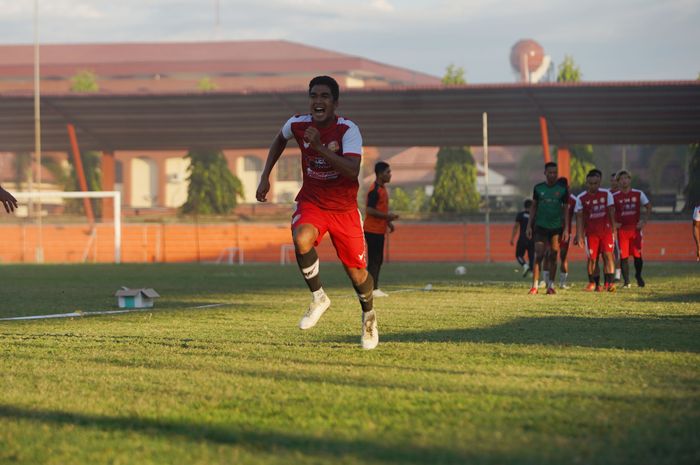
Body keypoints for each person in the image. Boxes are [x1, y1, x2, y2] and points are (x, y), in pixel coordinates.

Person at [255, 75, 379, 350]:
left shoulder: (348, 130)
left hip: (344, 210)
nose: (318, 101)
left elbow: (350, 170)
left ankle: (369, 315)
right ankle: (319, 297)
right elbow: (279, 139)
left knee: (358, 275)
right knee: (301, 238)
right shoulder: (297, 124)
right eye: (314, 96)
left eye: (324, 96)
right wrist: (265, 176)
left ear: (334, 103)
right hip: (312, 202)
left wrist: (320, 147)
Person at [526, 162, 569, 295]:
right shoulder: (538, 188)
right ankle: (534, 286)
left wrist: (566, 228)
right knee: (539, 254)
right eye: (550, 172)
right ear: (545, 173)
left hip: (556, 227)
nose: (552, 175)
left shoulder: (562, 189)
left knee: (554, 255)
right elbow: (533, 207)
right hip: (540, 226)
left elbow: (566, 210)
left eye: (555, 173)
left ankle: (551, 286)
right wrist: (529, 225)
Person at [575, 169, 617, 292]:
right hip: (591, 234)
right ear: (586, 183)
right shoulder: (581, 198)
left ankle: (609, 283)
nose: (593, 186)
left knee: (608, 256)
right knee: (592, 259)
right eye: (590, 183)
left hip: (606, 232)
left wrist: (614, 228)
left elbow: (611, 212)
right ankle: (594, 283)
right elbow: (579, 217)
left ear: (599, 183)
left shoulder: (606, 194)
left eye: (595, 183)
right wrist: (579, 235)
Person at [363, 161, 398, 298]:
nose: (390, 175)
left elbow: (379, 209)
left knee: (378, 260)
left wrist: (388, 222)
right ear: (379, 174)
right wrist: (387, 216)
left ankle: (372, 288)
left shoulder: (382, 189)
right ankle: (372, 289)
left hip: (378, 230)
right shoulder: (375, 190)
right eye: (387, 172)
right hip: (372, 230)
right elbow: (370, 210)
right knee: (374, 260)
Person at [612, 170, 651, 288]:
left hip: (635, 230)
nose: (624, 181)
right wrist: (614, 223)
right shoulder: (614, 197)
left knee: (637, 255)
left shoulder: (638, 194)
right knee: (623, 257)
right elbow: (609, 211)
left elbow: (648, 206)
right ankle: (627, 281)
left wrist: (643, 221)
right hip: (622, 231)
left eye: (626, 178)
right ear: (618, 182)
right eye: (621, 179)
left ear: (630, 180)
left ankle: (638, 276)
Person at [556, 178, 577, 289]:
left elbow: (579, 216)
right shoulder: (554, 197)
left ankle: (562, 283)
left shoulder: (573, 200)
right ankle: (547, 281)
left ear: (567, 188)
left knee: (563, 257)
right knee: (550, 255)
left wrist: (579, 233)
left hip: (565, 232)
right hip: (552, 230)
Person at [510, 199, 534, 277]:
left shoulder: (520, 215)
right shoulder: (534, 215)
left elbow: (516, 227)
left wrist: (512, 238)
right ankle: (531, 273)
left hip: (522, 239)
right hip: (532, 239)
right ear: (531, 206)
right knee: (532, 257)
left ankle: (525, 265)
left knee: (519, 255)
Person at [609, 171, 622, 282]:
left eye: (616, 181)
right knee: (611, 251)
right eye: (612, 181)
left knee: (619, 251)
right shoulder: (607, 194)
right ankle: (612, 272)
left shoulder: (622, 194)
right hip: (608, 227)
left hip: (620, 227)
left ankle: (617, 275)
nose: (614, 183)